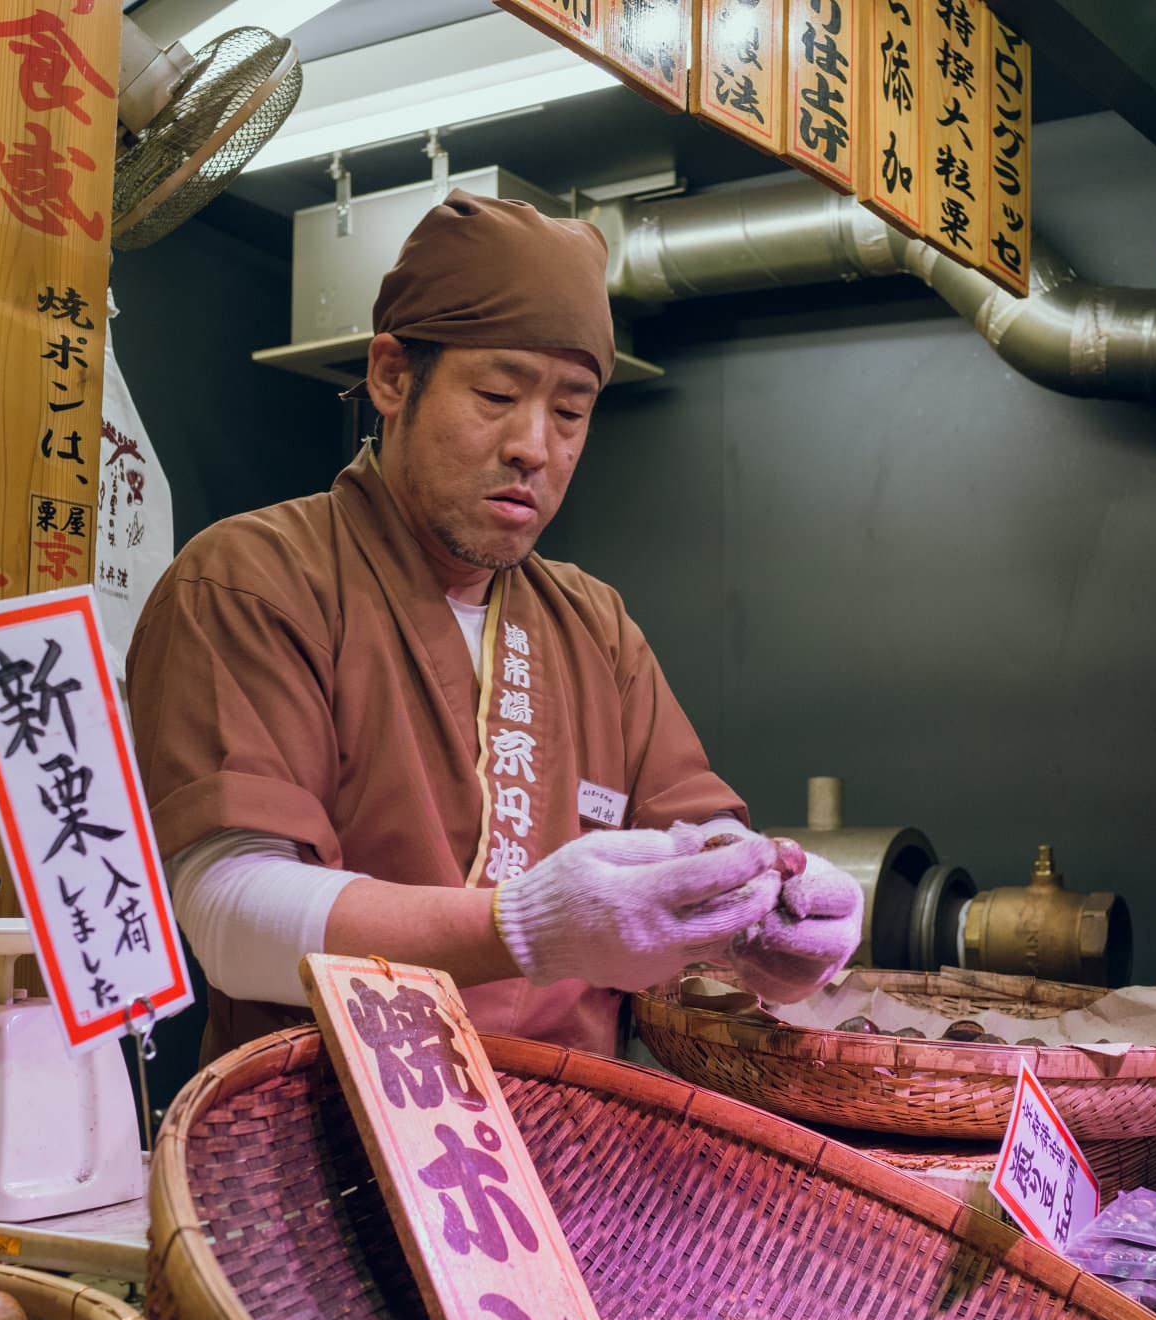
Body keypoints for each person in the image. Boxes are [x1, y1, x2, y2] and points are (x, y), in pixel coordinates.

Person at [127, 190, 863, 1062]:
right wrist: (518, 926)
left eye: (571, 410)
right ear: (393, 375)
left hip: (568, 1149)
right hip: (320, 1147)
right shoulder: (255, 579)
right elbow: (227, 909)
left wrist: (760, 908)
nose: (535, 446)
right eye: (497, 392)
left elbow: (696, 833)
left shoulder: (595, 625)